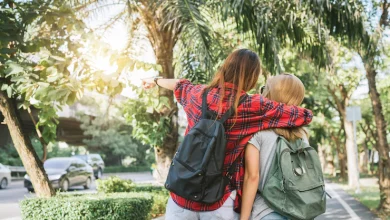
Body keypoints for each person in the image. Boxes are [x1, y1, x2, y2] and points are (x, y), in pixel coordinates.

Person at [142, 49, 313, 220]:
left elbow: (179, 84)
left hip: (181, 197)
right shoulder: (253, 106)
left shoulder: (197, 94)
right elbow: (303, 115)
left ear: (225, 68)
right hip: (218, 201)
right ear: (252, 77)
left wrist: (155, 81)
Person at [240, 74, 309, 220]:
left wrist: (243, 218)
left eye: (264, 89)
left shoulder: (258, 132)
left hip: (267, 212)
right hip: (298, 211)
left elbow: (252, 178)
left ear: (271, 95)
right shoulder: (302, 134)